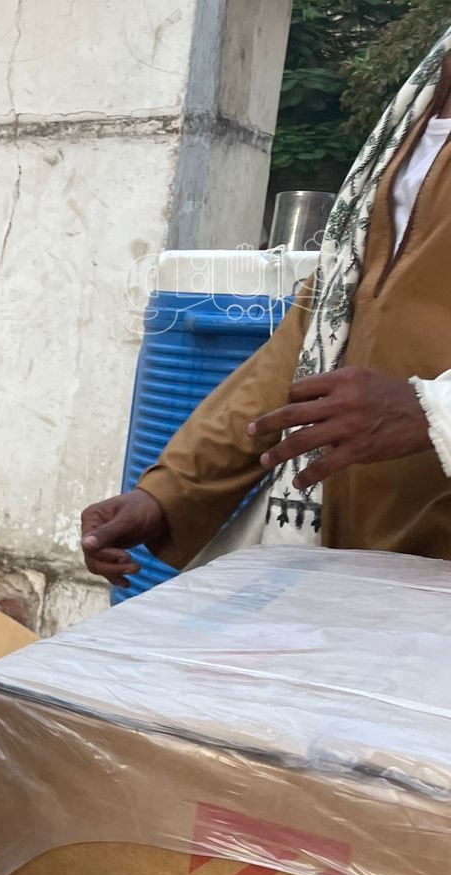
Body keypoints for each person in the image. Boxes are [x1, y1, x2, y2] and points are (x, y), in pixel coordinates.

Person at [81, 29, 451, 585]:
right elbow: (313, 336)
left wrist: (434, 413)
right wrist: (169, 490)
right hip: (358, 566)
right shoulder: (421, 98)